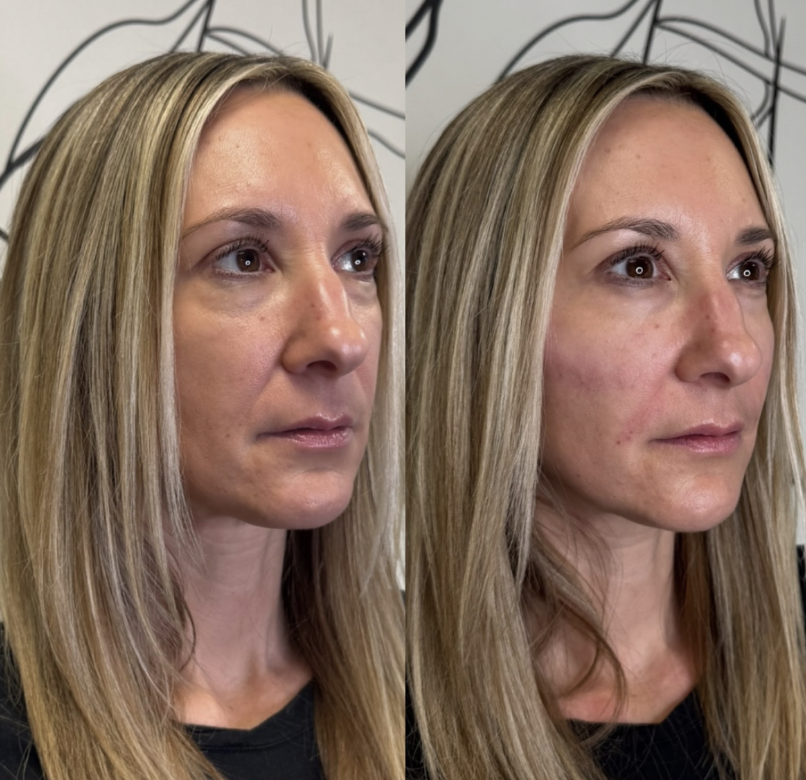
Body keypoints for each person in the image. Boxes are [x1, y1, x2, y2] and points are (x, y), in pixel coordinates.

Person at [0, 52, 403, 780]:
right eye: (244, 258)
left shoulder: (441, 695)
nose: (341, 338)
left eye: (357, 258)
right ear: (93, 322)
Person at [406, 55, 806, 780]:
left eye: (749, 272)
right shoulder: (366, 720)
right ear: (488, 320)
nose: (735, 350)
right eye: (639, 267)